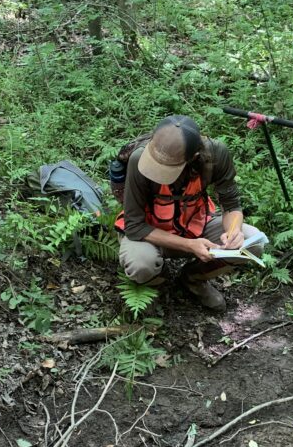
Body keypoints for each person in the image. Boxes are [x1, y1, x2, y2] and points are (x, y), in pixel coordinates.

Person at [114, 115, 268, 311]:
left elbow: (232, 205)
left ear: (193, 157)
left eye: (167, 169)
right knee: (141, 265)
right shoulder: (139, 158)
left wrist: (233, 230)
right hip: (150, 232)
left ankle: (193, 279)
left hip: (195, 223)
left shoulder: (215, 155)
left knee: (253, 243)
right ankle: (157, 284)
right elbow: (134, 225)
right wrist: (188, 245)